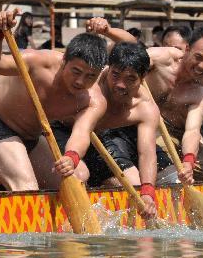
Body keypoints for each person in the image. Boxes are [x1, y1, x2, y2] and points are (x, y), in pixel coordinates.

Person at [0, 9, 107, 191]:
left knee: (71, 186)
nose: (80, 82)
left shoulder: (93, 100)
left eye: (90, 76)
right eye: (76, 71)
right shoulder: (38, 62)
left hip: (33, 137)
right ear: (64, 60)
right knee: (27, 189)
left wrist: (71, 157)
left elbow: (81, 133)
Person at [48, 42, 167, 219]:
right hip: (63, 131)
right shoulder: (92, 80)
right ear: (108, 69)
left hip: (98, 138)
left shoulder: (146, 108)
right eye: (115, 75)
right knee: (79, 174)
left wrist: (148, 192)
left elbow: (147, 154)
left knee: (135, 184)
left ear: (143, 79)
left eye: (130, 79)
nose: (120, 84)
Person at [143, 27, 203, 187]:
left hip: (179, 134)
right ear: (187, 49)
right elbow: (126, 62)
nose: (202, 66)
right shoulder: (161, 58)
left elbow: (193, 131)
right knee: (172, 172)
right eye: (198, 57)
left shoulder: (200, 92)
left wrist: (189, 161)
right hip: (151, 126)